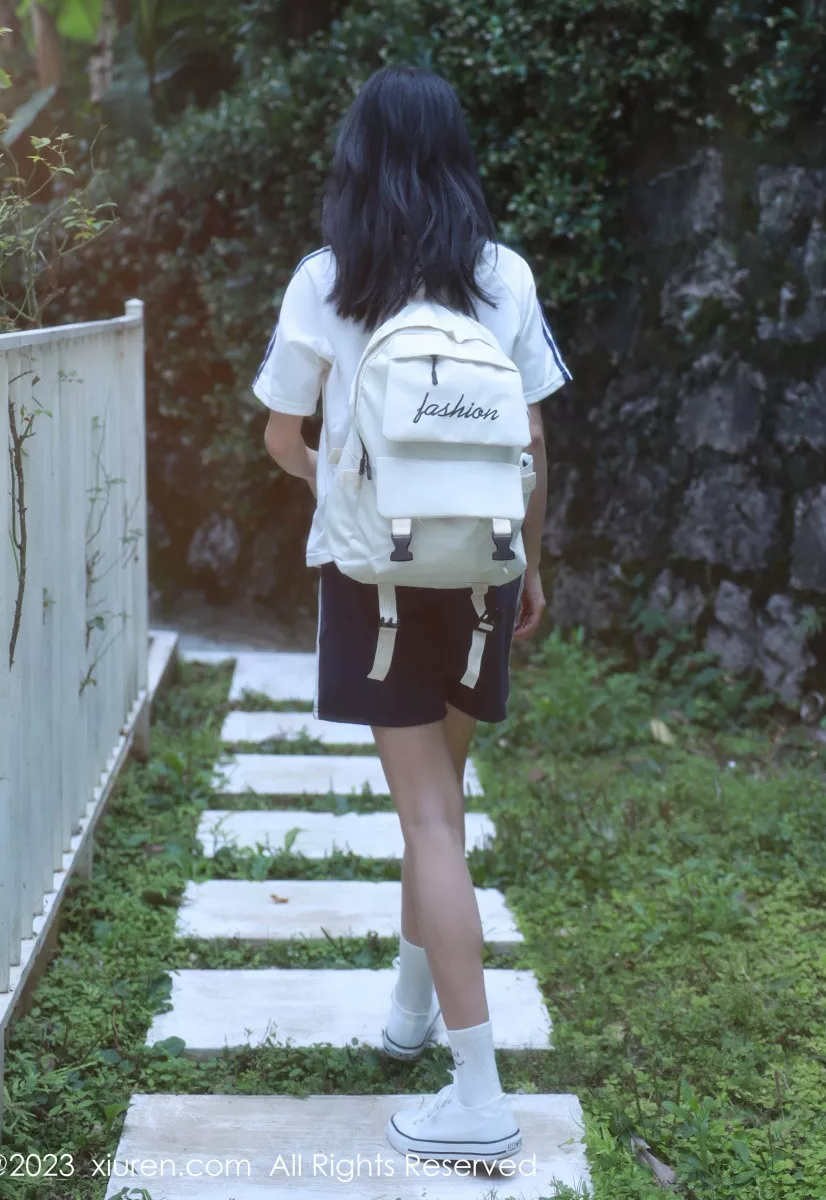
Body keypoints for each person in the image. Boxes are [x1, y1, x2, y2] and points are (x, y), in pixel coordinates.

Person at [251, 65, 570, 1161]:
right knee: (439, 803)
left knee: (427, 817)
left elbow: (282, 435)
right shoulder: (504, 276)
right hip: (483, 568)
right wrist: (531, 564)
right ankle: (408, 1011)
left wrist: (343, 481)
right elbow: (534, 437)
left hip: (378, 575)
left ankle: (478, 1096)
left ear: (357, 158)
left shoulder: (329, 280)